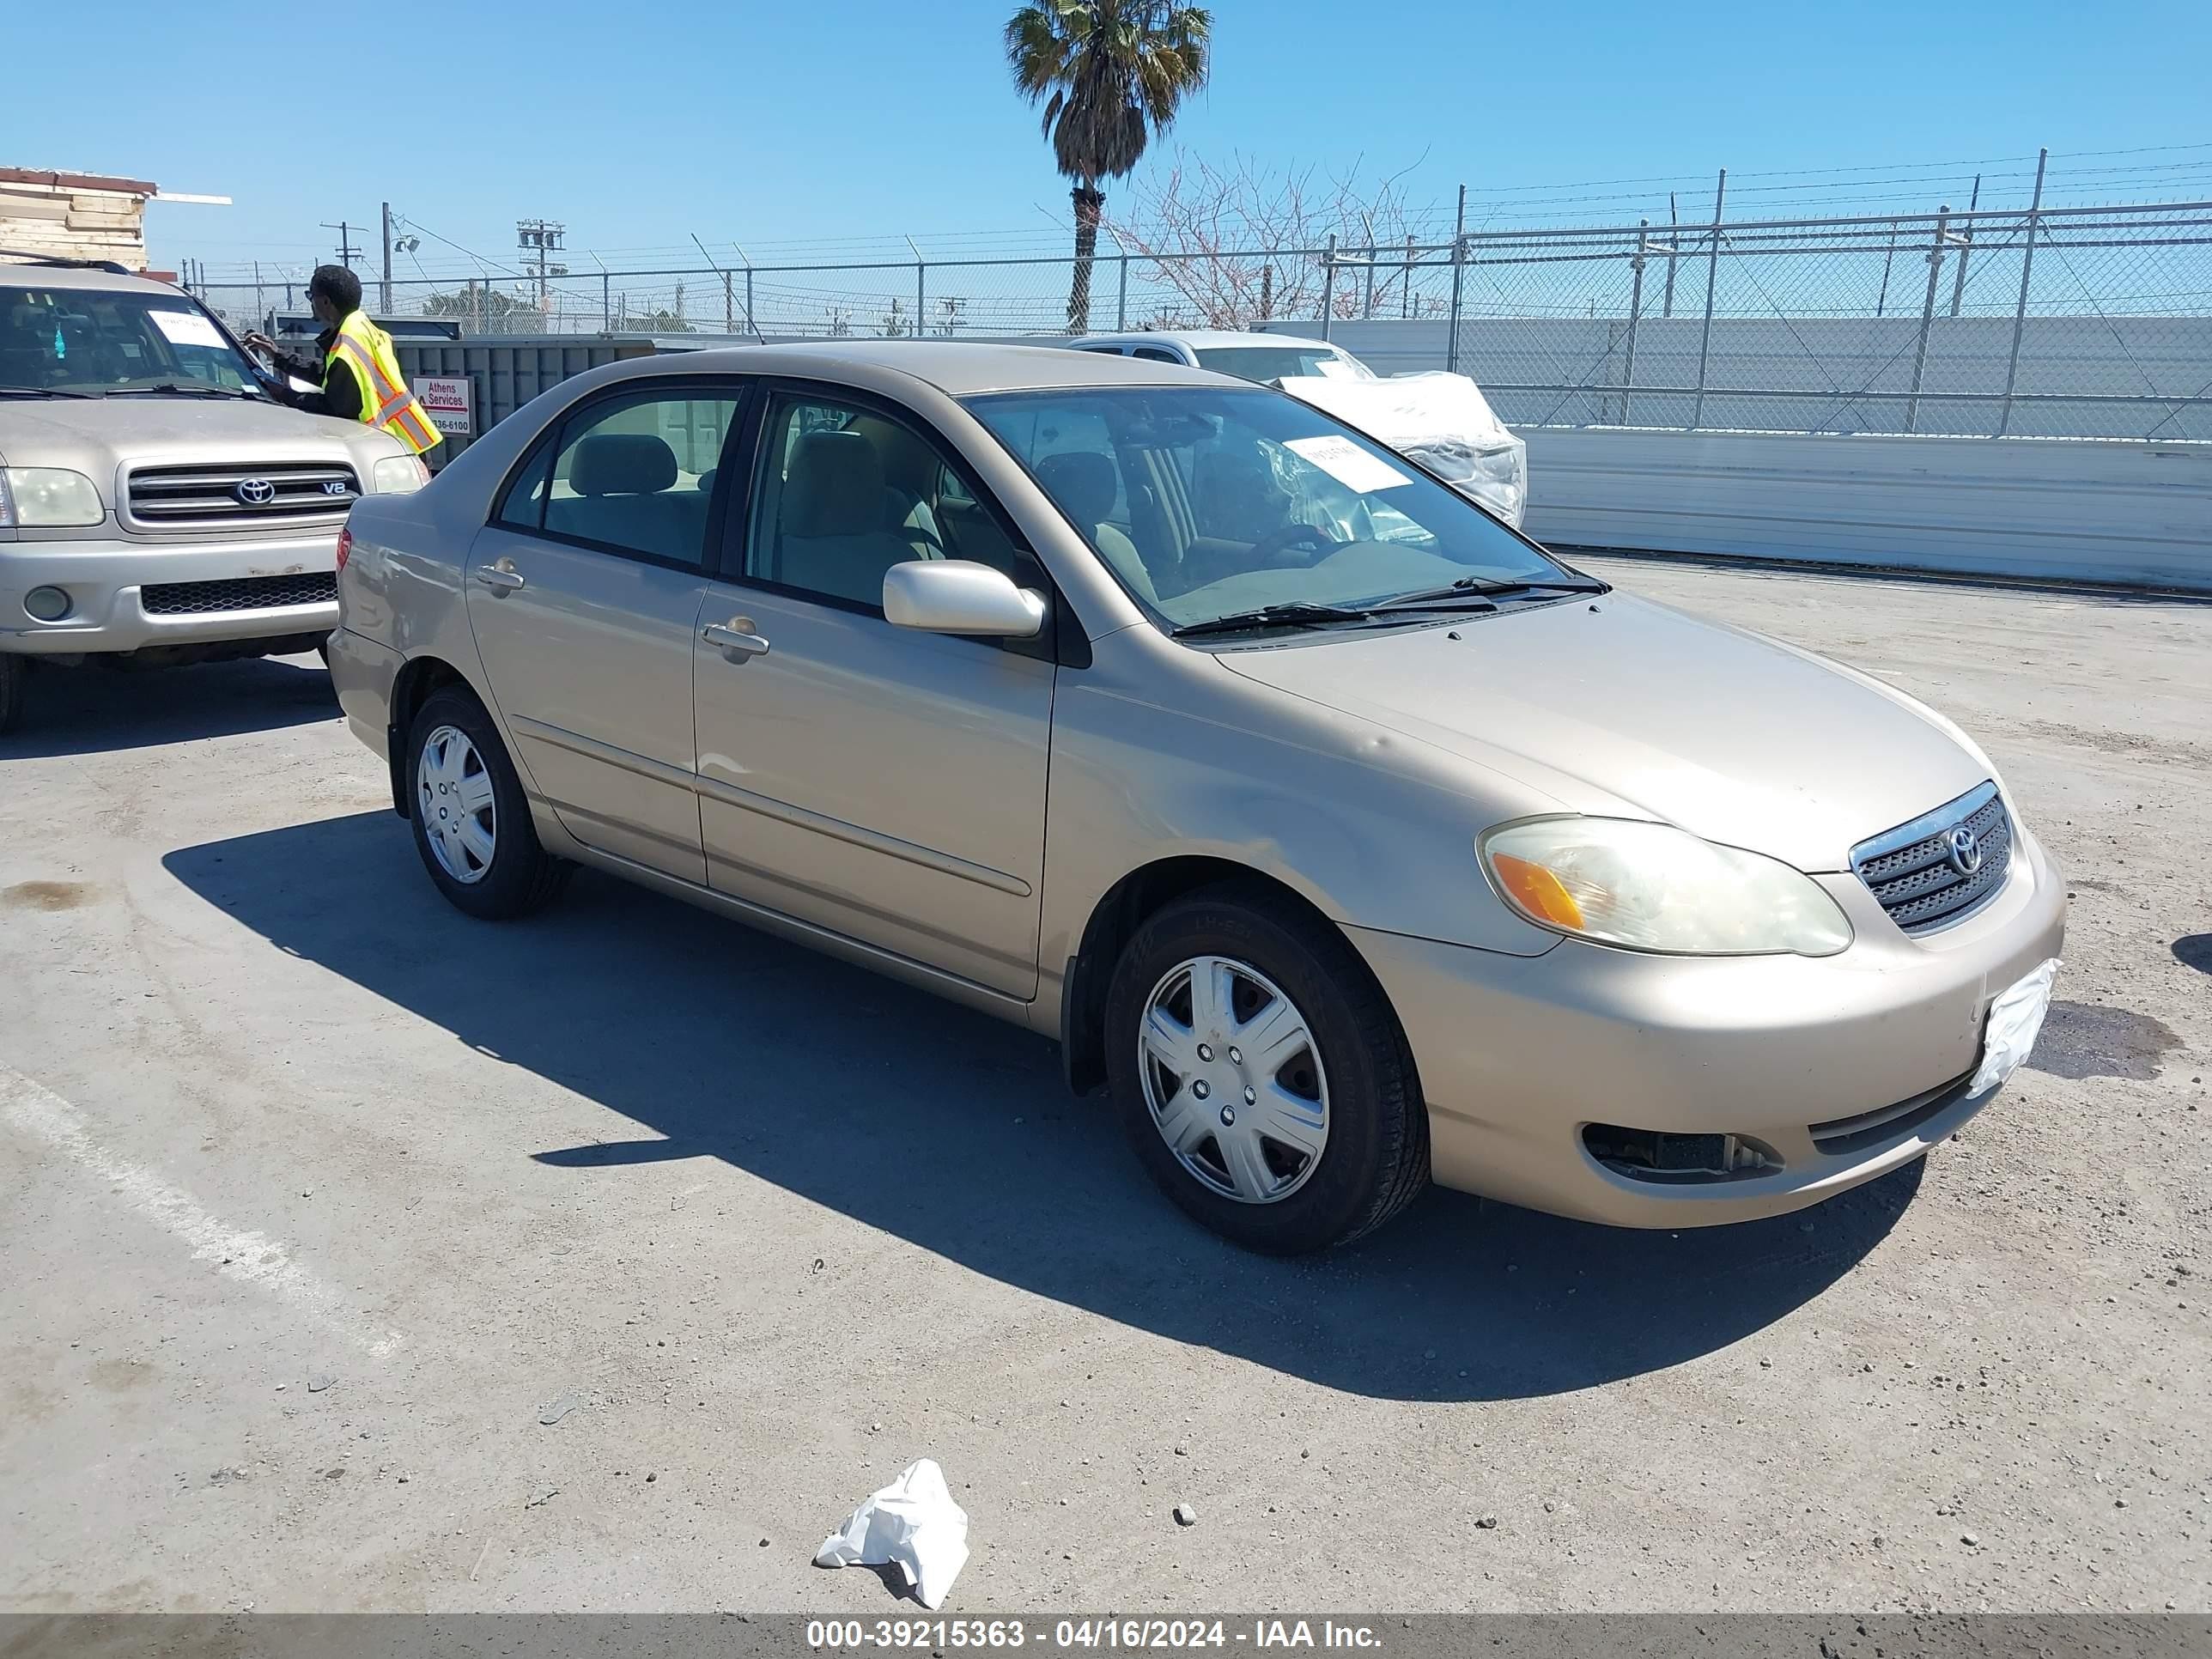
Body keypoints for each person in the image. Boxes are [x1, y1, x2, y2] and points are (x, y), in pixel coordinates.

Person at [243, 266, 441, 457]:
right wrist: (277, 355)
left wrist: (282, 394)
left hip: (385, 447)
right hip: (405, 440)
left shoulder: (346, 344)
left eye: (311, 296)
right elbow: (328, 375)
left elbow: (334, 407)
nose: (311, 302)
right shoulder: (361, 327)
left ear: (326, 302)